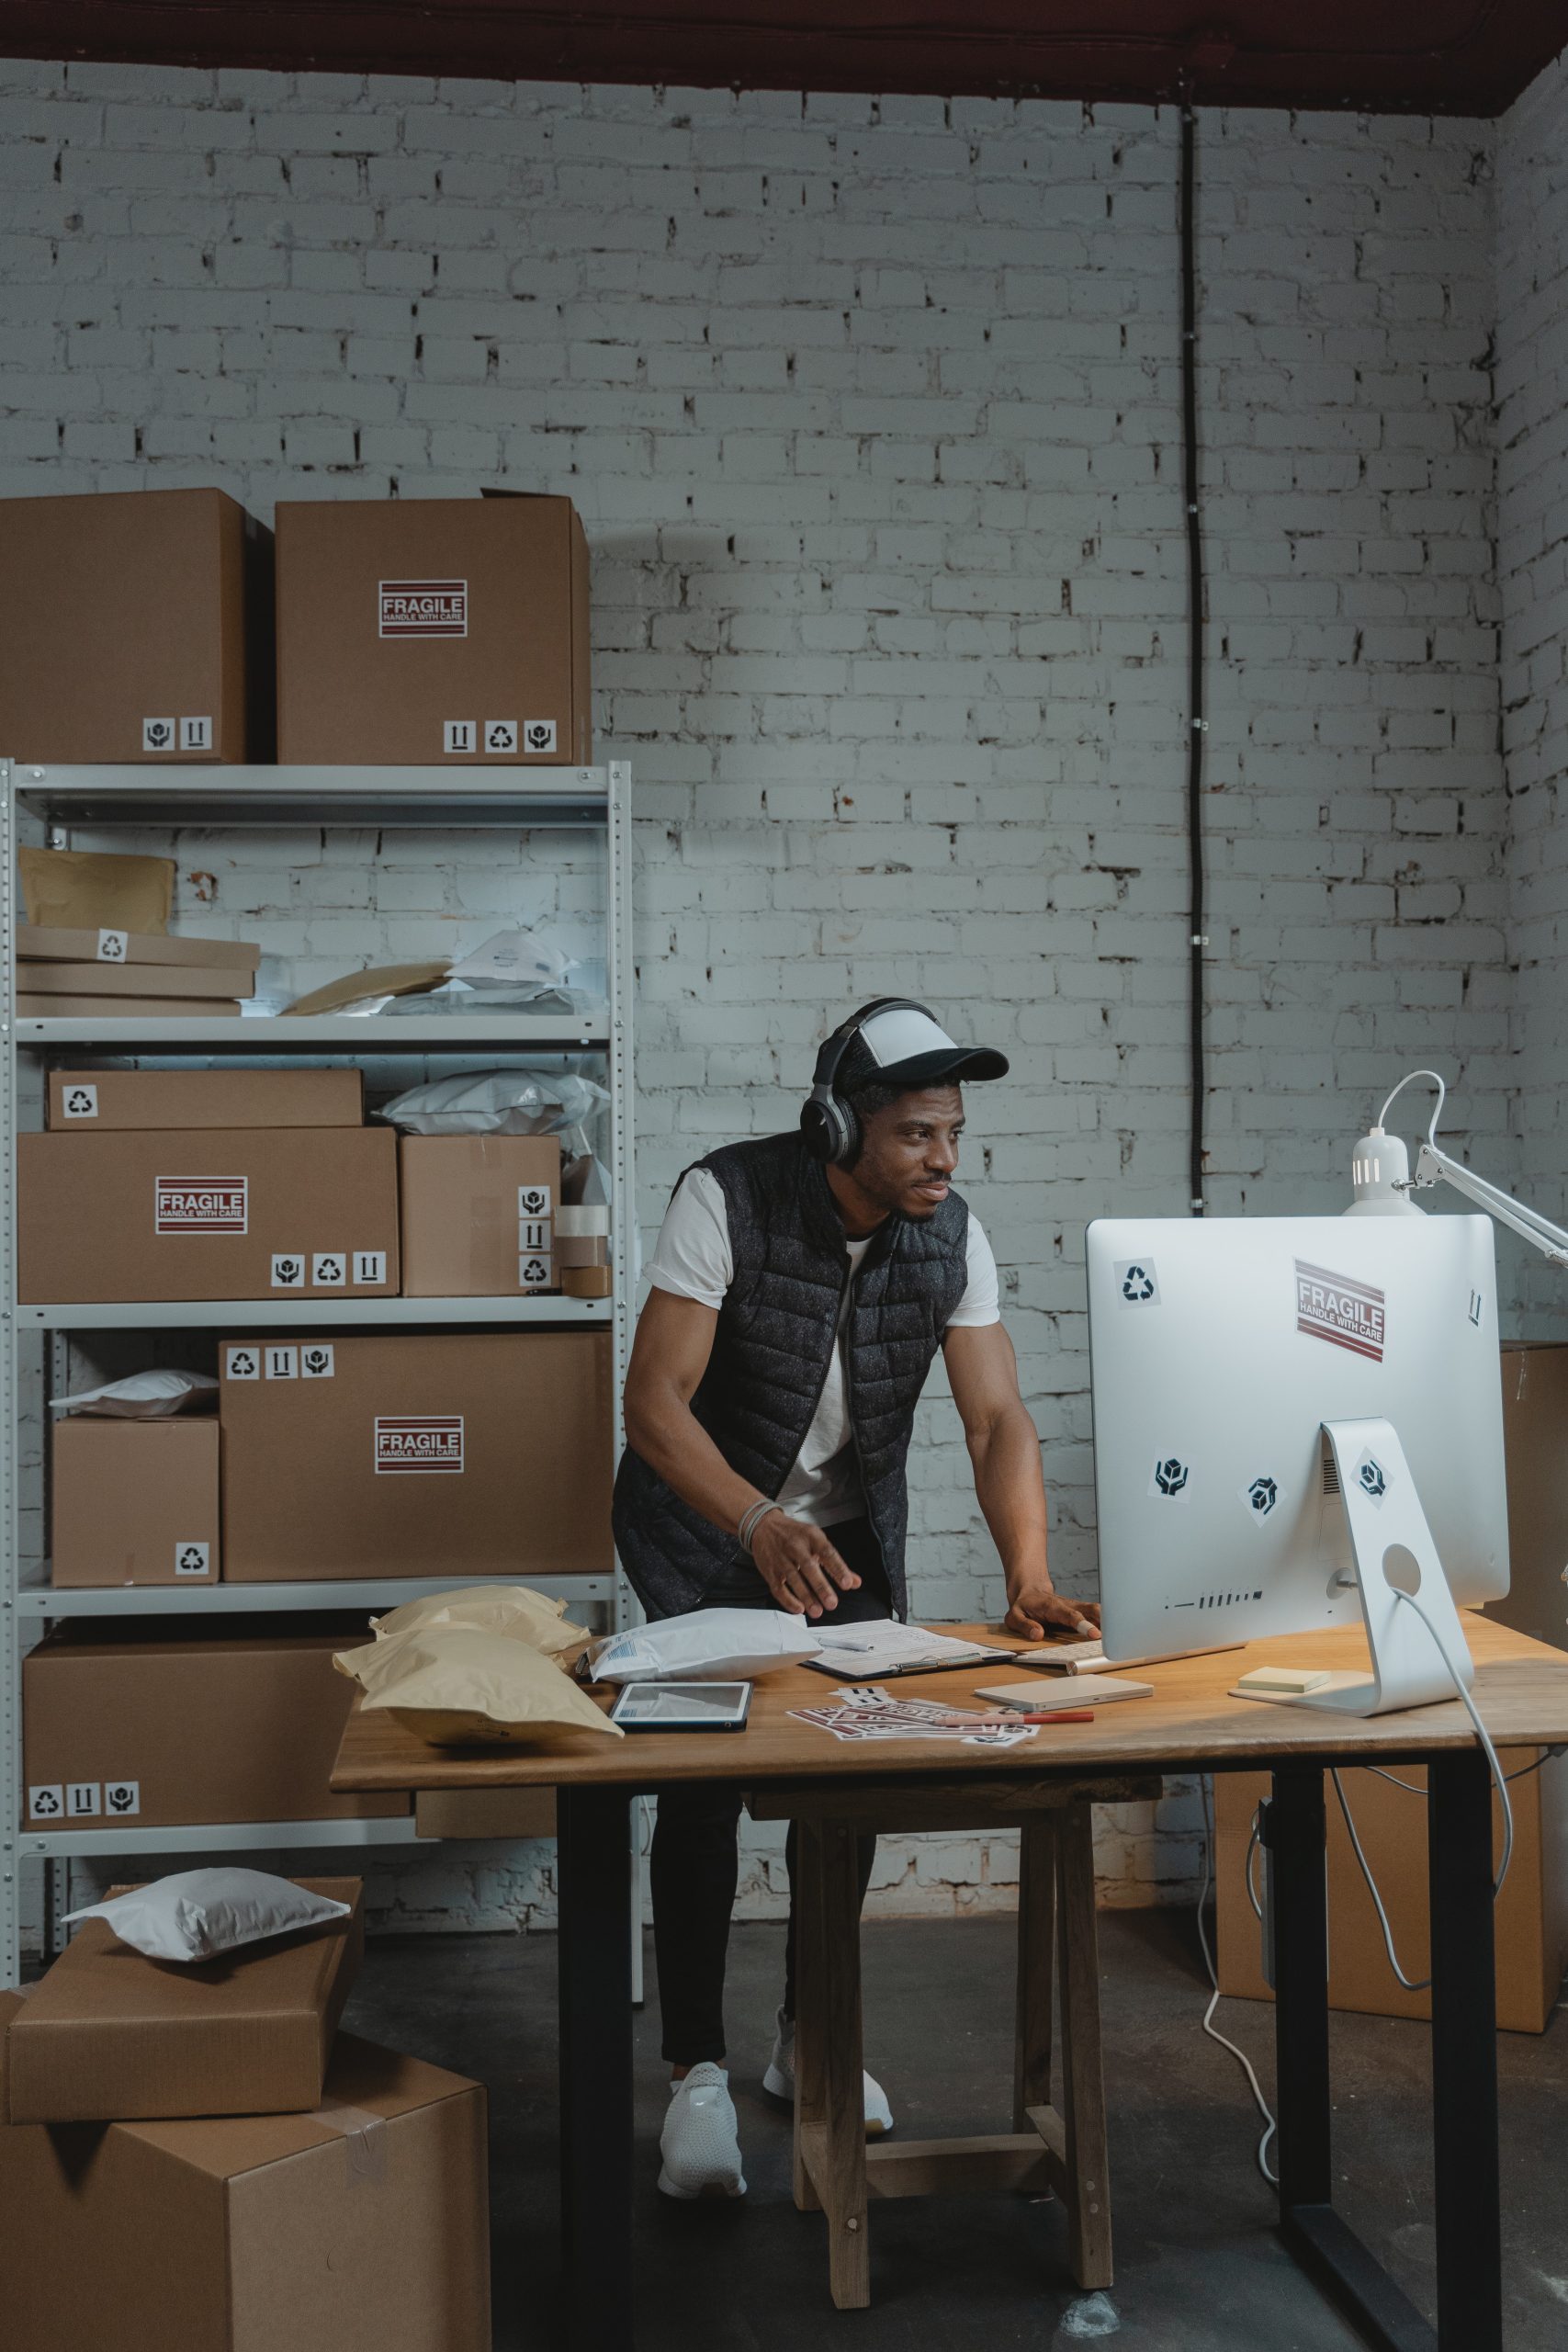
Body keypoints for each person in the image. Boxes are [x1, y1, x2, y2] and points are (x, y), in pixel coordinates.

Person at [614, 998, 1100, 2200]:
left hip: (843, 1543)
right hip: (704, 1533)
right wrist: (753, 1521)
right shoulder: (722, 1200)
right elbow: (654, 1406)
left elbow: (996, 1419)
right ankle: (694, 2077)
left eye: (953, 1132)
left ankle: (808, 2037)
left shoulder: (952, 1236)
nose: (944, 1157)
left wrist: (1026, 1574)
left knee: (851, 1781)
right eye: (917, 1136)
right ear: (838, 1126)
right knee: (700, 1799)